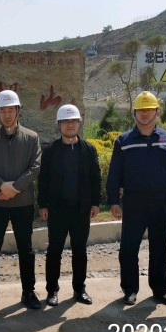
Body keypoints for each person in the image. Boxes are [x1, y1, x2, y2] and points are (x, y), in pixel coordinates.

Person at [106, 91, 166, 306]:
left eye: (149, 110)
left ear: (157, 112)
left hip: (161, 203)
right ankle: (130, 289)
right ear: (134, 113)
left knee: (159, 247)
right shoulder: (124, 141)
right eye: (141, 110)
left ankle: (160, 290)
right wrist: (114, 200)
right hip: (134, 203)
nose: (145, 114)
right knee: (128, 248)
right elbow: (114, 173)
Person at [0, 89, 42, 311]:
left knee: (26, 249)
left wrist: (13, 188)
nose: (7, 115)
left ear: (18, 111)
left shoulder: (31, 138)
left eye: (10, 110)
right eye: (2, 111)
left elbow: (35, 167)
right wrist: (1, 186)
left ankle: (28, 292)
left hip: (22, 203)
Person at [38, 104, 101, 306]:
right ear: (59, 125)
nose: (70, 125)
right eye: (65, 121)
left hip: (81, 210)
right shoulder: (50, 151)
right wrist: (43, 205)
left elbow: (95, 178)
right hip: (57, 210)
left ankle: (79, 289)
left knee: (80, 250)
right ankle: (52, 291)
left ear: (79, 124)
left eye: (73, 121)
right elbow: (43, 180)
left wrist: (95, 203)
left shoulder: (88, 150)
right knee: (54, 251)